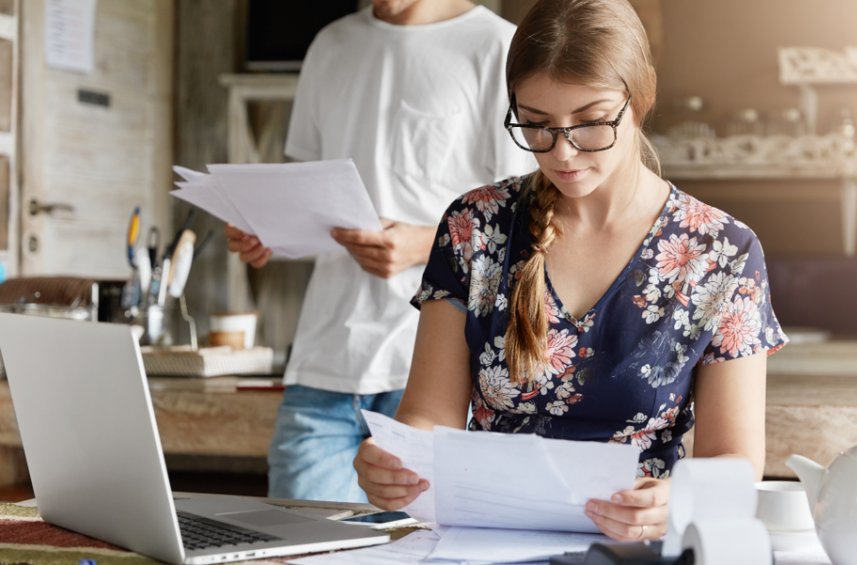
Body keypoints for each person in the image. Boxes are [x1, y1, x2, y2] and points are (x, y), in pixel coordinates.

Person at [353, 0, 789, 542]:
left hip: (636, 548)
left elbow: (736, 463)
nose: (562, 152)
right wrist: (394, 462)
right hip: (483, 542)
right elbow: (428, 417)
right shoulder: (475, 227)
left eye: (589, 122)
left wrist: (681, 497)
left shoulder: (722, 251)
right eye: (536, 125)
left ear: (640, 101)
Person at [225, 0, 534, 503]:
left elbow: (528, 214)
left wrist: (424, 245)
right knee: (298, 551)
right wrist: (270, 231)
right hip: (324, 364)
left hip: (439, 369)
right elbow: (312, 195)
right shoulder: (331, 45)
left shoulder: (498, 47)